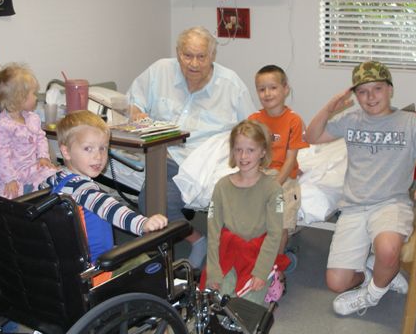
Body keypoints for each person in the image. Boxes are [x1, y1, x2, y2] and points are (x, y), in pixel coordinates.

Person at [305, 60, 416, 316]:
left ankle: (371, 294)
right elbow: (311, 137)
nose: (371, 96)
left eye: (378, 89)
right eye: (363, 91)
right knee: (337, 283)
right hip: (353, 207)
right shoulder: (351, 120)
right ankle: (379, 274)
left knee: (387, 249)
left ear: (390, 90)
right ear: (356, 96)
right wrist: (329, 108)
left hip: (391, 204)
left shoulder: (410, 122)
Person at [41, 110, 177, 334]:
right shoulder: (85, 190)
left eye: (103, 148)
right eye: (88, 149)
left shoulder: (55, 181)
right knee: (151, 266)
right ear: (66, 151)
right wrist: (143, 223)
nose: (98, 156)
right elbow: (111, 209)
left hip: (64, 275)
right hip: (97, 274)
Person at [127, 26, 256, 268]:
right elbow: (134, 101)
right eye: (187, 55)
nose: (194, 64)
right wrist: (137, 114)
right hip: (164, 154)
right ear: (178, 53)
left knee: (155, 202)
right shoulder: (160, 71)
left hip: (203, 159)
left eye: (201, 57)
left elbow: (250, 127)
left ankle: (177, 244)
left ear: (212, 56)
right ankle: (197, 240)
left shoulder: (230, 84)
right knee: (151, 201)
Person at [204, 120, 288, 305]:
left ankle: (273, 277)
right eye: (238, 150)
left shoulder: (273, 189)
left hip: (257, 257)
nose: (243, 156)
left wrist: (261, 272)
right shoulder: (222, 186)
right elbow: (213, 231)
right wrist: (213, 270)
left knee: (244, 309)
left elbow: (274, 234)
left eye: (250, 150)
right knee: (218, 303)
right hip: (228, 253)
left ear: (263, 152)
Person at [249, 65, 309, 270]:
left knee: (280, 221)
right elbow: (248, 153)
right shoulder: (254, 121)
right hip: (258, 172)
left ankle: (275, 266)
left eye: (273, 88)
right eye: (261, 89)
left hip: (284, 176)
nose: (267, 93)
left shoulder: (294, 120)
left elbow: (290, 160)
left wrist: (274, 185)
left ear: (286, 89)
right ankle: (252, 258)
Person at [0, 63, 56, 199]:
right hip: (13, 173)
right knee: (9, 196)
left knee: (53, 177)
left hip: (33, 168)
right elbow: (2, 155)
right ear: (19, 98)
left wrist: (43, 156)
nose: (36, 97)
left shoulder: (33, 118)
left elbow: (41, 138)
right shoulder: (2, 125)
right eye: (33, 94)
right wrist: (10, 179)